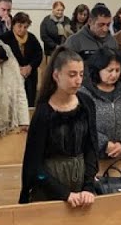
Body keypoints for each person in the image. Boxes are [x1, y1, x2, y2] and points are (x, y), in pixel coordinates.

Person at [20, 49, 99, 206]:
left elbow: (91, 148)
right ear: (56, 76)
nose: (78, 81)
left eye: (81, 74)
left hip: (80, 183)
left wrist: (88, 186)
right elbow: (35, 165)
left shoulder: (86, 104)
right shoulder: (44, 112)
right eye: (72, 75)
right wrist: (63, 193)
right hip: (49, 187)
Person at [80, 48, 121, 160]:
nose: (114, 74)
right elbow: (82, 125)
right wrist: (104, 144)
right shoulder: (84, 94)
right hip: (92, 157)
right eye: (110, 70)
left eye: (117, 70)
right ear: (98, 69)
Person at [3, 12, 44, 106]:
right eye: (19, 26)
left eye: (25, 27)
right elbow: (2, 57)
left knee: (29, 102)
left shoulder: (32, 38)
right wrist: (16, 68)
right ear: (13, 25)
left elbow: (38, 54)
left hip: (29, 76)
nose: (22, 29)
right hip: (11, 76)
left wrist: (30, 66)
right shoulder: (5, 38)